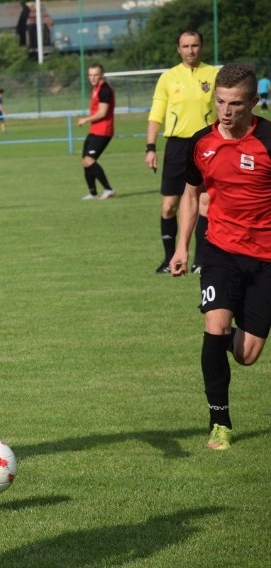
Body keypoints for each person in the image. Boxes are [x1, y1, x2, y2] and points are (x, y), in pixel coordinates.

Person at [169, 63, 270, 451]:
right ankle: (220, 422)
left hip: (266, 257)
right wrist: (182, 247)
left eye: (236, 104)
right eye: (221, 102)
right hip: (220, 249)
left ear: (254, 103)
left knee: (245, 355)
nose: (226, 112)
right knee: (215, 327)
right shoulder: (202, 143)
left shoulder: (268, 141)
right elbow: (191, 195)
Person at [145, 31, 217, 275]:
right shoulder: (168, 77)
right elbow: (156, 114)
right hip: (176, 146)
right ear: (178, 49)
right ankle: (168, 259)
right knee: (169, 206)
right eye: (185, 46)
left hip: (207, 144)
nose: (190, 50)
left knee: (204, 203)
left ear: (202, 47)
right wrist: (150, 147)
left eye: (195, 45)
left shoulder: (214, 75)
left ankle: (200, 261)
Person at [77, 63, 116, 200]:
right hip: (94, 130)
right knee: (85, 161)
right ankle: (93, 193)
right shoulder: (96, 88)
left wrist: (85, 119)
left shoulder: (105, 89)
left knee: (89, 160)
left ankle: (108, 189)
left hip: (103, 130)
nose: (92, 78)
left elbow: (103, 113)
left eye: (95, 75)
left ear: (102, 75)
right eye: (90, 75)